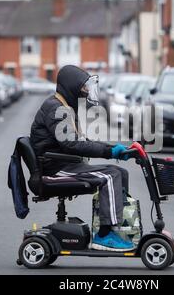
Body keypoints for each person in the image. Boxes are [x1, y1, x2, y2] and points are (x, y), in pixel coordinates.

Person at [30, 65, 135, 252]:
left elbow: (80, 141)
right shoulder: (55, 108)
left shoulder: (64, 106)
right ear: (72, 87)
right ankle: (105, 235)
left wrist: (115, 149)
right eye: (84, 87)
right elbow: (72, 144)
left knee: (120, 172)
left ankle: (115, 226)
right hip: (55, 166)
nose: (86, 92)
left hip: (65, 162)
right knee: (111, 176)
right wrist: (109, 152)